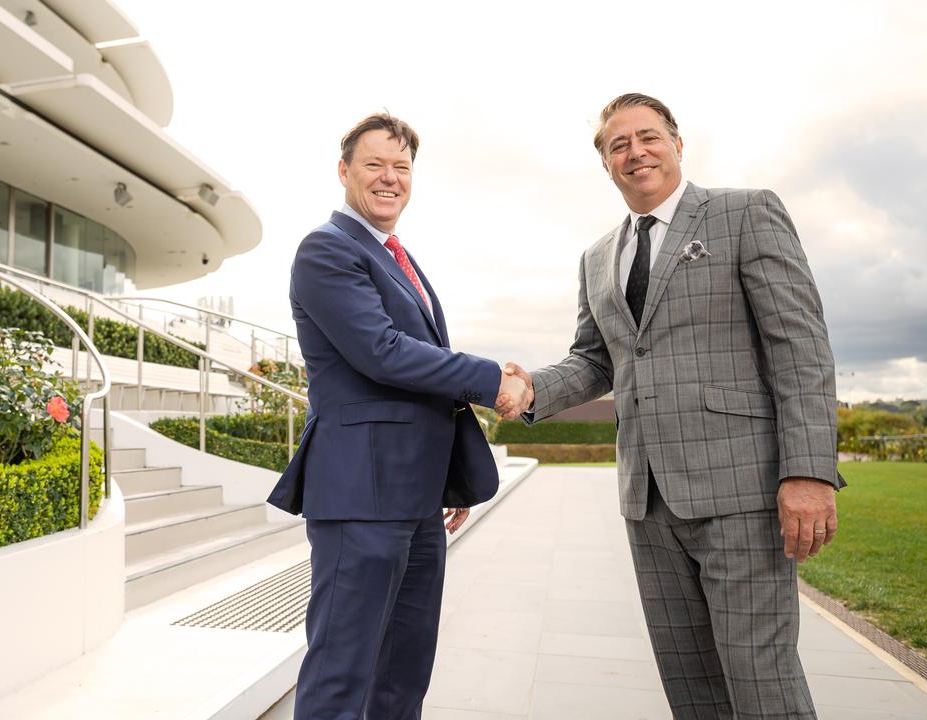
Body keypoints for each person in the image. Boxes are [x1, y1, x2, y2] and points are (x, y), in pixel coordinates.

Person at [499, 93, 843, 719]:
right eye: (618, 145)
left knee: (760, 679)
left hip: (742, 492)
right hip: (648, 501)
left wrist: (810, 470)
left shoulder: (745, 214)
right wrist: (530, 390)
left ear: (678, 144)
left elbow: (801, 348)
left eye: (648, 137)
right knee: (691, 686)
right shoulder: (597, 257)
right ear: (605, 164)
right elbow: (596, 360)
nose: (636, 152)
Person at [268, 112, 528, 719]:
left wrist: (446, 476)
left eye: (401, 168)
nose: (390, 178)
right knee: (343, 674)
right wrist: (493, 379)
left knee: (403, 675)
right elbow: (382, 353)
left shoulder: (397, 256)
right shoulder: (327, 248)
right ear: (344, 171)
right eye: (374, 165)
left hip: (414, 499)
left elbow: (422, 372)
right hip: (360, 496)